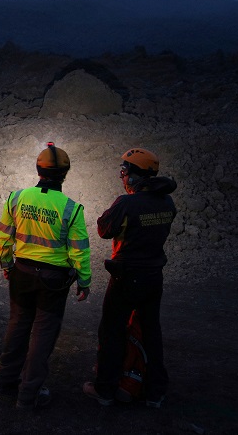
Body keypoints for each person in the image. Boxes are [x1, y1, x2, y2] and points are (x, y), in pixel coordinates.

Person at [0, 142, 92, 410]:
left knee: (17, 326)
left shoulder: (16, 198)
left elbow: (4, 237)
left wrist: (5, 265)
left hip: (21, 273)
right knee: (43, 335)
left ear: (38, 169)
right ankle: (29, 395)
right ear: (65, 174)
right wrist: (84, 281)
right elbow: (79, 251)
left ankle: (5, 382)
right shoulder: (72, 209)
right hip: (53, 281)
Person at [83, 147, 177, 408]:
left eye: (124, 173)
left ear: (136, 176)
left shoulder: (127, 203)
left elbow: (104, 229)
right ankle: (155, 391)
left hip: (127, 278)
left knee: (112, 331)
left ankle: (105, 389)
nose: (122, 178)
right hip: (153, 277)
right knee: (151, 332)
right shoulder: (167, 202)